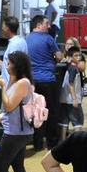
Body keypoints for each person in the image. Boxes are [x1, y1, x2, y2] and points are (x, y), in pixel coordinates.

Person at [0, 50, 35, 172]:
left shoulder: (23, 83)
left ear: (16, 65)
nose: (7, 65)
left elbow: (9, 105)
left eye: (9, 63)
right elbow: (9, 107)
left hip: (16, 132)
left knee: (0, 165)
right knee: (17, 164)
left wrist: (3, 86)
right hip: (17, 130)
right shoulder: (17, 81)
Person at [25, 15, 61, 150]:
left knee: (35, 111)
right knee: (51, 111)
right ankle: (52, 143)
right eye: (46, 23)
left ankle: (37, 143)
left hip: (33, 82)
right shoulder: (48, 39)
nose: (49, 26)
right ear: (39, 25)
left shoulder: (27, 39)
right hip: (48, 80)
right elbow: (59, 56)